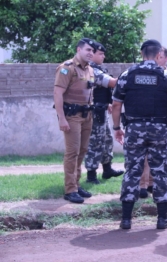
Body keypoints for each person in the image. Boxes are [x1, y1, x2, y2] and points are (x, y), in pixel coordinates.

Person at [111, 39, 167, 230]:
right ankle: (162, 219)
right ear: (159, 53)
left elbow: (116, 104)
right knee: (160, 171)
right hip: (160, 130)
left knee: (132, 171)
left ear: (142, 53)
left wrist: (117, 128)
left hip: (134, 130)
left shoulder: (127, 74)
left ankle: (126, 219)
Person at [53, 38, 95, 204]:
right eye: (88, 50)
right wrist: (61, 118)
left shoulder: (90, 69)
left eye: (92, 51)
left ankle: (76, 185)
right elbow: (57, 94)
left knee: (82, 150)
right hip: (72, 116)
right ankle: (70, 189)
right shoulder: (66, 68)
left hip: (87, 115)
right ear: (79, 49)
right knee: (72, 152)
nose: (91, 53)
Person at [139, 46, 167, 199]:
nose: (159, 59)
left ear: (166, 58)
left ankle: (151, 184)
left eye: (162, 56)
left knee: (158, 158)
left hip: (161, 122)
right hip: (143, 120)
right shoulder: (142, 72)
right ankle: (142, 185)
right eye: (158, 56)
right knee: (143, 156)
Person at [84, 41, 124, 184]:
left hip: (101, 110)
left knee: (107, 140)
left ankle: (107, 169)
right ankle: (91, 174)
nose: (103, 56)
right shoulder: (91, 70)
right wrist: (128, 77)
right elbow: (112, 83)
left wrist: (107, 102)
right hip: (94, 113)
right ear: (92, 54)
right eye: (100, 53)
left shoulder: (99, 68)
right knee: (95, 143)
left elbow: (100, 91)